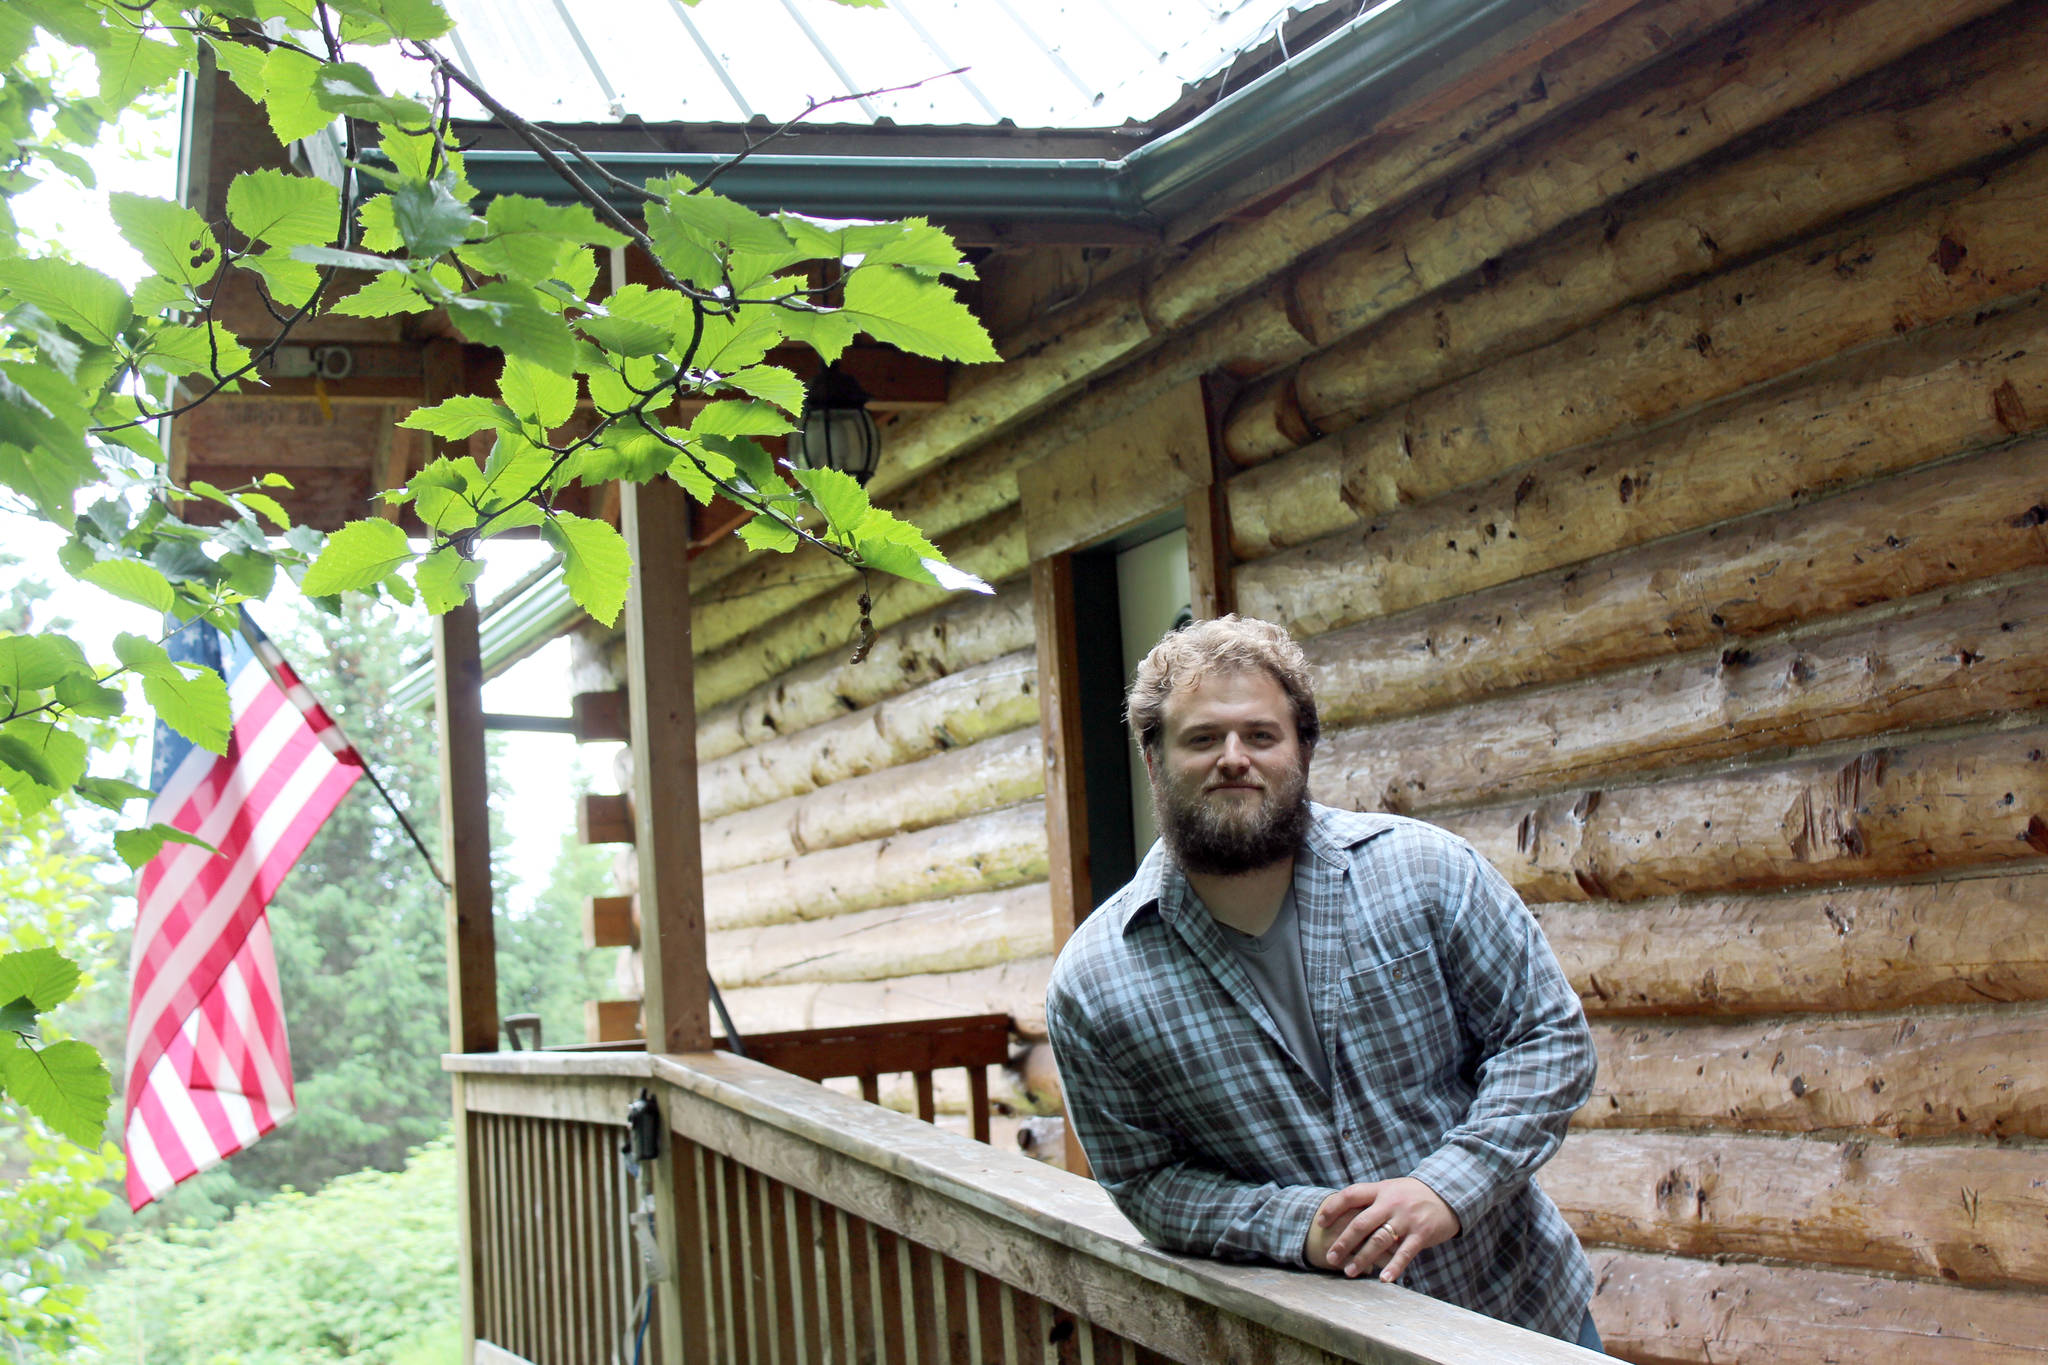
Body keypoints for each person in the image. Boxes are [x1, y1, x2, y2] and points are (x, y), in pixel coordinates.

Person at [1045, 615, 1600, 1349]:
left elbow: (1546, 1037)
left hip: (1522, 1316)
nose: (1233, 758)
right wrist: (1297, 1226)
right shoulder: (1093, 983)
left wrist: (1448, 1184)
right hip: (1314, 1343)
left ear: (1303, 748)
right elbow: (1146, 1181)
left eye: (1260, 734)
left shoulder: (1427, 871)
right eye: (1203, 738)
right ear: (1153, 758)